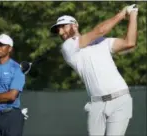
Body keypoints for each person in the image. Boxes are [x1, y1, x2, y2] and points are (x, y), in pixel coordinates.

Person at [50, 4, 138, 136]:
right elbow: (100, 30)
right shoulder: (67, 47)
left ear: (75, 25)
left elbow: (129, 42)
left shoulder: (102, 42)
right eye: (58, 30)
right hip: (96, 104)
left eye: (63, 27)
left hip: (121, 99)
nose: (61, 32)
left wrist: (133, 15)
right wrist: (121, 14)